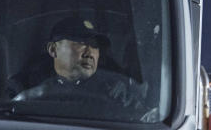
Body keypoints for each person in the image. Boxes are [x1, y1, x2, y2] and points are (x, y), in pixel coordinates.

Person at [13, 16, 144, 108]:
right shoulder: (24, 85)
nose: (89, 52)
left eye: (94, 46)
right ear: (53, 49)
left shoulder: (114, 90)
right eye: (80, 43)